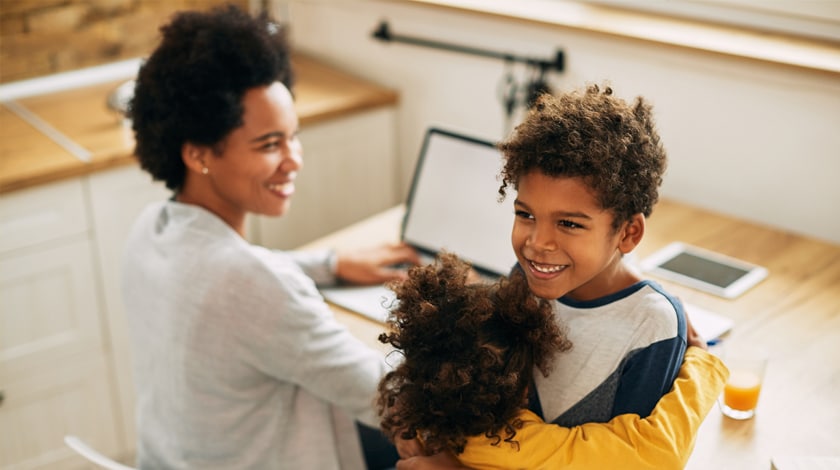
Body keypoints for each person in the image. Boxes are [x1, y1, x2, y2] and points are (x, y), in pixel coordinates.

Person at [121, 5, 418, 469]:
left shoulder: (151, 229)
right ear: (199, 153)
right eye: (269, 145)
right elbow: (390, 398)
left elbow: (226, 272)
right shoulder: (253, 287)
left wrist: (332, 264)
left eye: (293, 136)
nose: (294, 159)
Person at [379, 253, 727, 469]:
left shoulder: (423, 421)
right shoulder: (518, 445)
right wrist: (702, 364)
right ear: (523, 390)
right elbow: (658, 453)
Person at [497, 85, 687, 427]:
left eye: (568, 223)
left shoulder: (651, 326)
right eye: (525, 215)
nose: (538, 243)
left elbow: (626, 456)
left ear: (628, 233)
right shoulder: (523, 281)